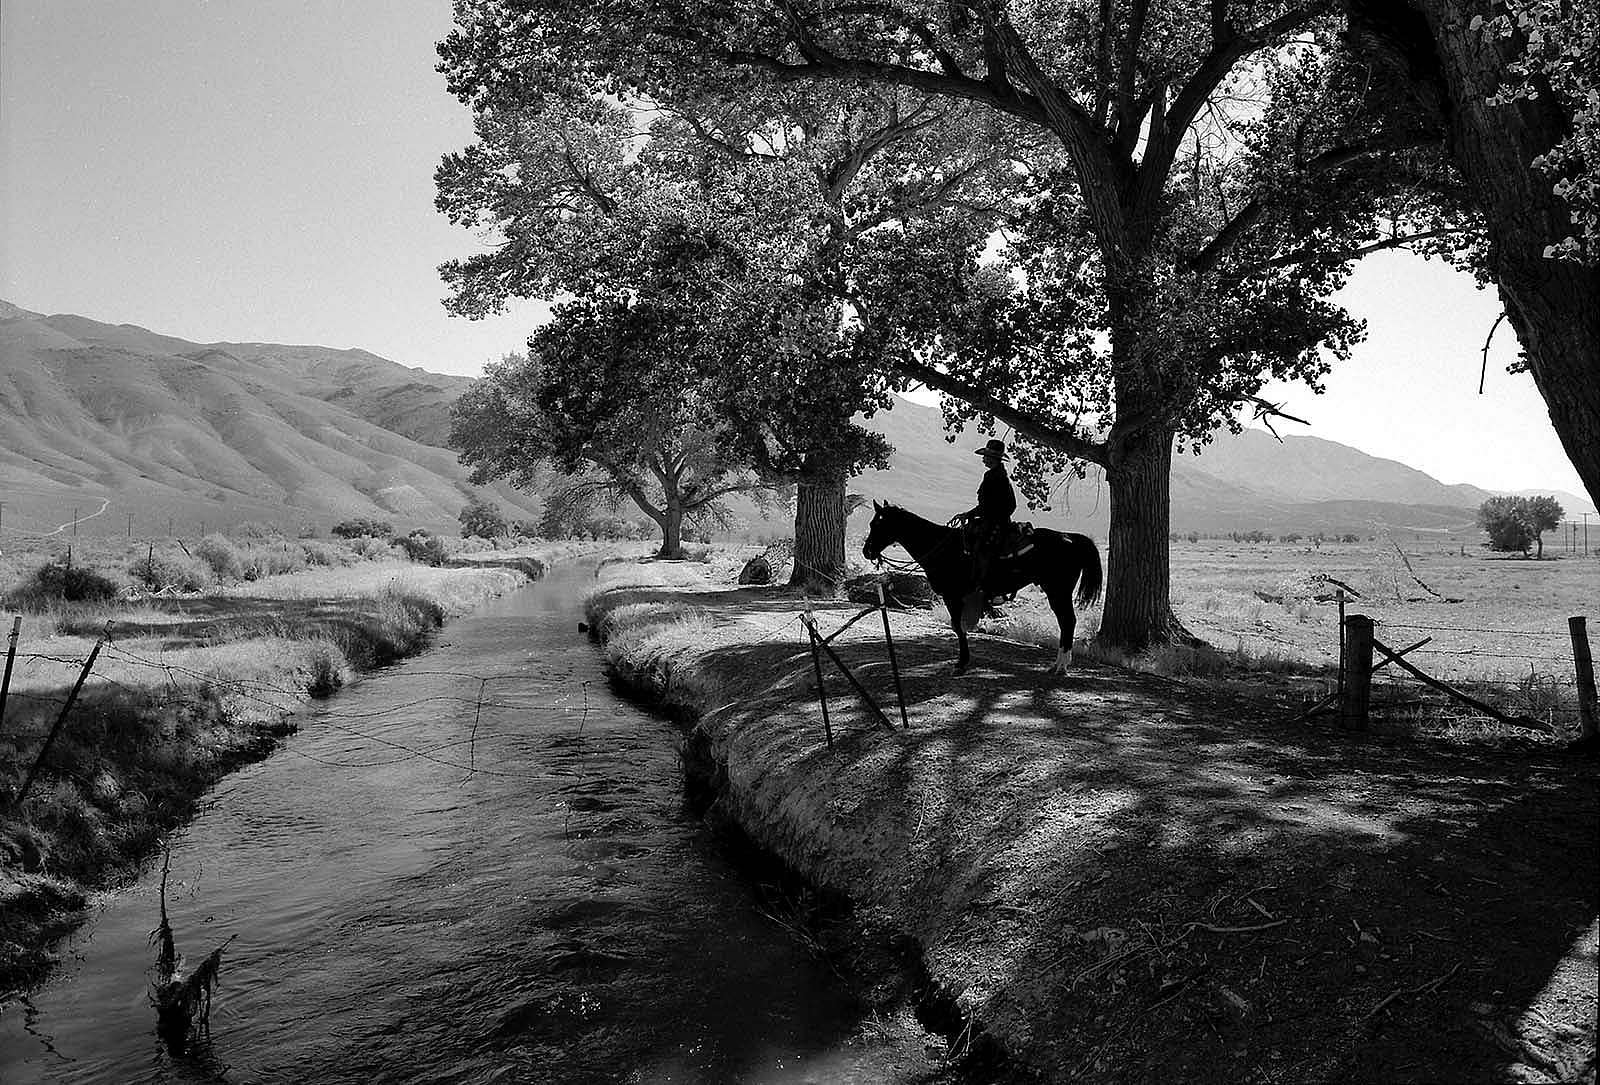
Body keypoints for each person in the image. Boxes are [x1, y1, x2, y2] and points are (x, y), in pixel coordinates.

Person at [950, 438, 1016, 591]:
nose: (984, 459)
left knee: (981, 548)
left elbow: (990, 505)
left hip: (995, 523)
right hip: (993, 520)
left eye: (986, 456)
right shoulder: (997, 475)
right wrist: (970, 514)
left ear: (993, 458)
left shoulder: (995, 477)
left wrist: (970, 514)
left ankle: (983, 585)